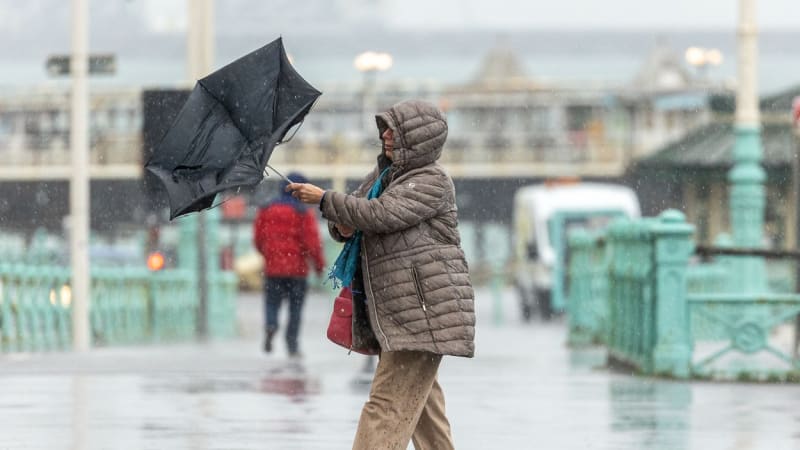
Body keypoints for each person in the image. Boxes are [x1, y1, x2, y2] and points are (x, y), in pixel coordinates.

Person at [287, 99, 475, 450]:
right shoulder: (384, 177)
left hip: (422, 312)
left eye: (394, 129)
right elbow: (357, 217)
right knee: (423, 412)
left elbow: (380, 215)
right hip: (401, 309)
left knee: (386, 407)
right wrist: (341, 224)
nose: (385, 135)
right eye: (385, 128)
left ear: (416, 139)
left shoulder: (431, 181)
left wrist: (324, 198)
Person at [253, 171, 325, 358]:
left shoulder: (266, 209)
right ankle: (292, 345)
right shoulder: (302, 212)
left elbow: (259, 239)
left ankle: (271, 325)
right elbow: (312, 243)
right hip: (297, 271)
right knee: (295, 309)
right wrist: (318, 265)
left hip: (273, 268)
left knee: (271, 302)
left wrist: (269, 255)